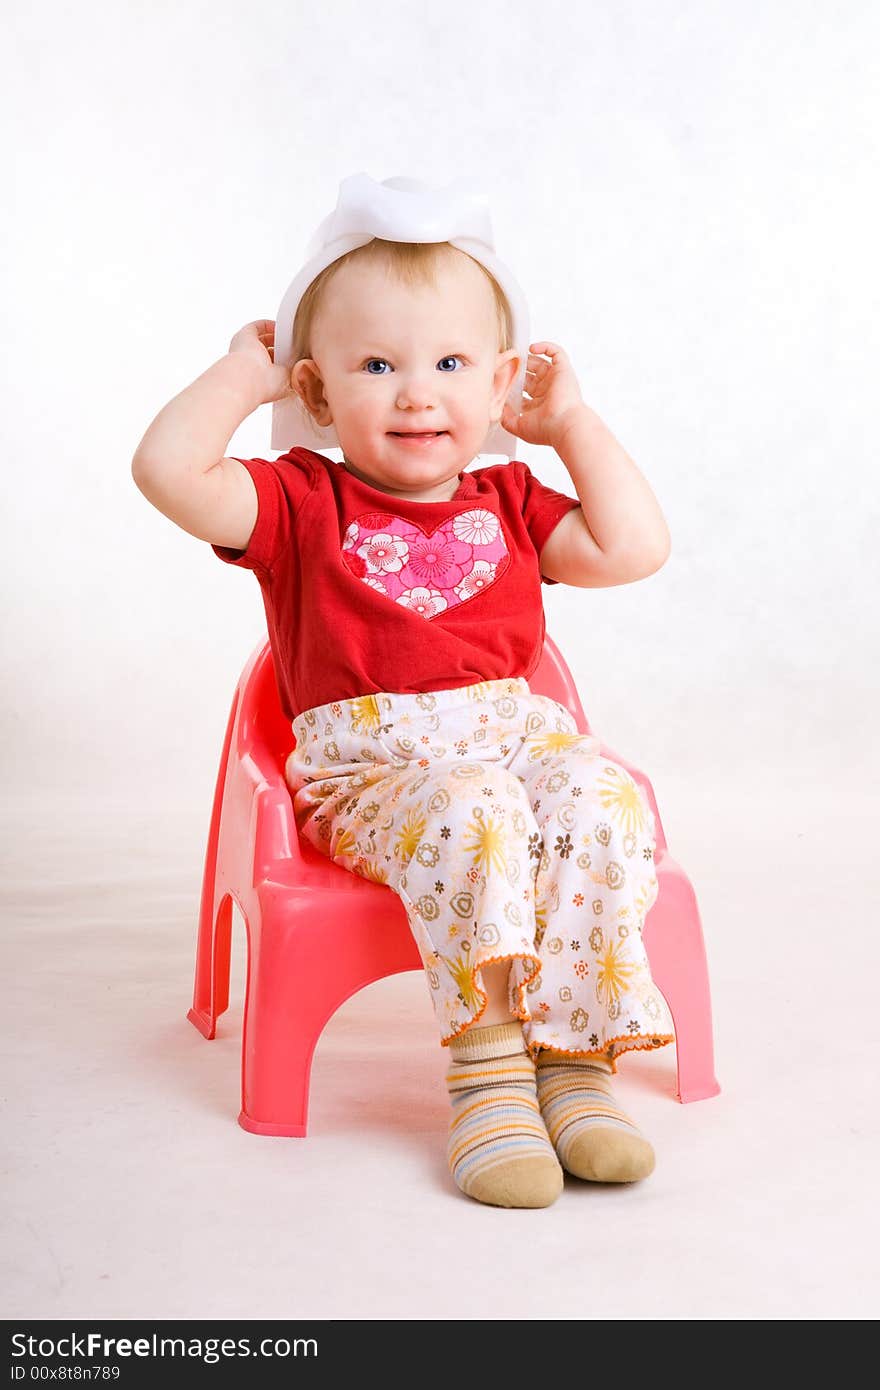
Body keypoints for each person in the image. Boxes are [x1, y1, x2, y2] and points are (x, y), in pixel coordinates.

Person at [132, 186, 677, 1211]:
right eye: (377, 366)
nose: (418, 394)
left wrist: (568, 426)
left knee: (603, 798)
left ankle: (575, 1062)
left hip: (517, 746)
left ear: (502, 380)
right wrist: (239, 378)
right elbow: (165, 468)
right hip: (380, 778)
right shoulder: (298, 499)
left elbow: (633, 547)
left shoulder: (511, 501)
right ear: (319, 389)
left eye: (451, 364)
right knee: (474, 806)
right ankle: (487, 1077)